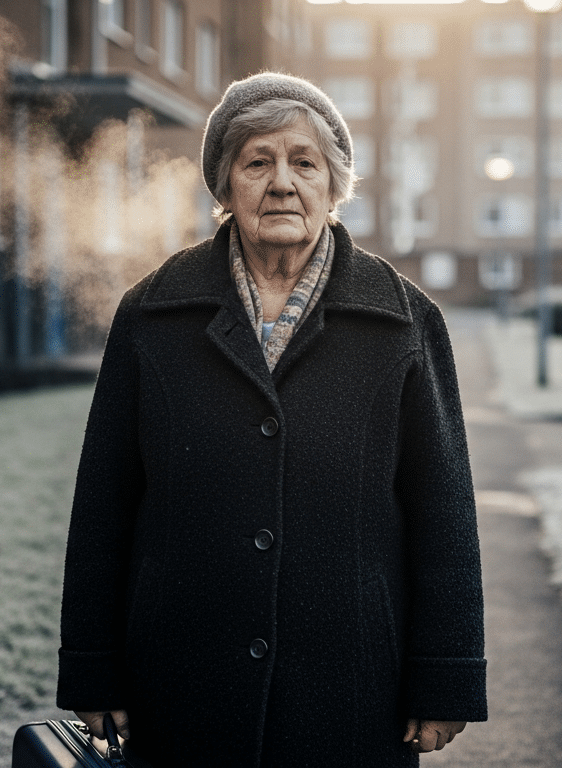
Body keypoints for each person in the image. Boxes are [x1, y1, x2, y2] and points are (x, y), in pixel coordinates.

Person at [55, 72, 486, 767]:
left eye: (304, 163)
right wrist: (91, 665)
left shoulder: (404, 322)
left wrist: (447, 675)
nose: (282, 183)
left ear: (334, 186)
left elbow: (444, 513)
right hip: (181, 680)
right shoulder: (151, 314)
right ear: (225, 186)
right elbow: (104, 505)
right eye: (258, 162)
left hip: (353, 686)